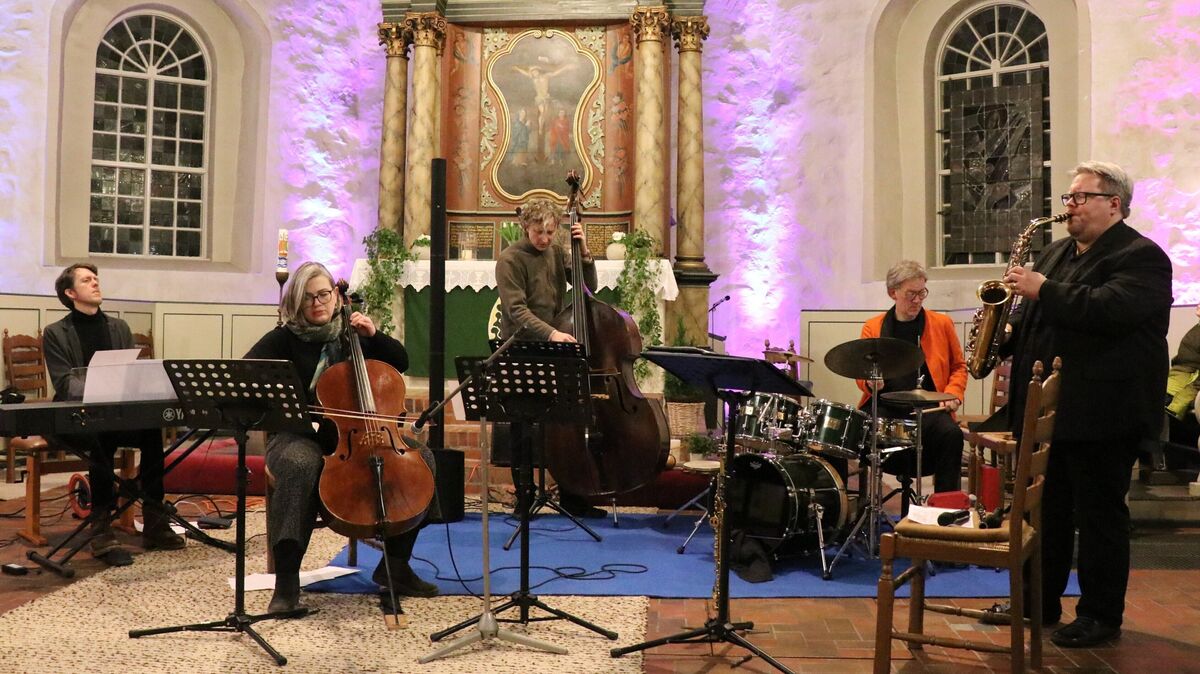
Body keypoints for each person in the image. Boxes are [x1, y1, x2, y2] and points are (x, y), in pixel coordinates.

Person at [996, 161, 1173, 647]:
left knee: (1099, 517)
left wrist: (1042, 289)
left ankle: (1100, 614)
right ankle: (1040, 599)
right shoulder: (1055, 252)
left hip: (1104, 410)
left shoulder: (1143, 256)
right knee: (1043, 512)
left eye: (1079, 197)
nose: (1068, 206)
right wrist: (1006, 337)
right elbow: (1039, 314)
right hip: (1046, 411)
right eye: (1067, 198)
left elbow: (1108, 310)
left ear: (1113, 203)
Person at [244, 261, 438, 613]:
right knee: (299, 465)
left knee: (421, 458)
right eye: (308, 298)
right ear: (296, 304)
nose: (318, 303)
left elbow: (401, 360)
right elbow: (248, 375)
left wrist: (373, 336)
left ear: (336, 296)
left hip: (362, 437)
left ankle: (394, 568)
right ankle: (286, 583)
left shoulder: (351, 333)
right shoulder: (283, 338)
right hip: (299, 436)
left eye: (324, 294)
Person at [44, 263, 185, 566]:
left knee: (151, 431)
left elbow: (129, 376)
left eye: (96, 278)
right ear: (70, 293)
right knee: (101, 433)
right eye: (86, 280)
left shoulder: (118, 328)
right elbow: (65, 384)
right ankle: (101, 526)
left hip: (114, 413)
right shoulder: (55, 332)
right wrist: (104, 384)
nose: (95, 283)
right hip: (74, 417)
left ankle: (155, 521)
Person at [495, 196, 603, 518]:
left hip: (554, 345)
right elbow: (516, 310)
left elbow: (589, 289)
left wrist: (585, 255)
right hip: (521, 346)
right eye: (538, 232)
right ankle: (524, 498)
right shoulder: (510, 259)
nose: (544, 239)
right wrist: (552, 333)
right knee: (522, 425)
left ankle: (572, 495)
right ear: (525, 226)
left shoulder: (557, 251)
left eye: (550, 232)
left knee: (566, 423)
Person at [855, 260, 967, 496]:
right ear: (892, 293)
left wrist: (954, 394)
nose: (917, 300)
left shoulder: (942, 324)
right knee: (854, 433)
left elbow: (959, 367)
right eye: (911, 294)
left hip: (929, 407)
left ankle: (945, 510)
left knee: (951, 435)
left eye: (922, 293)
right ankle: (862, 508)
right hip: (885, 407)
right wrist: (870, 382)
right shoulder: (873, 327)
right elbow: (860, 372)